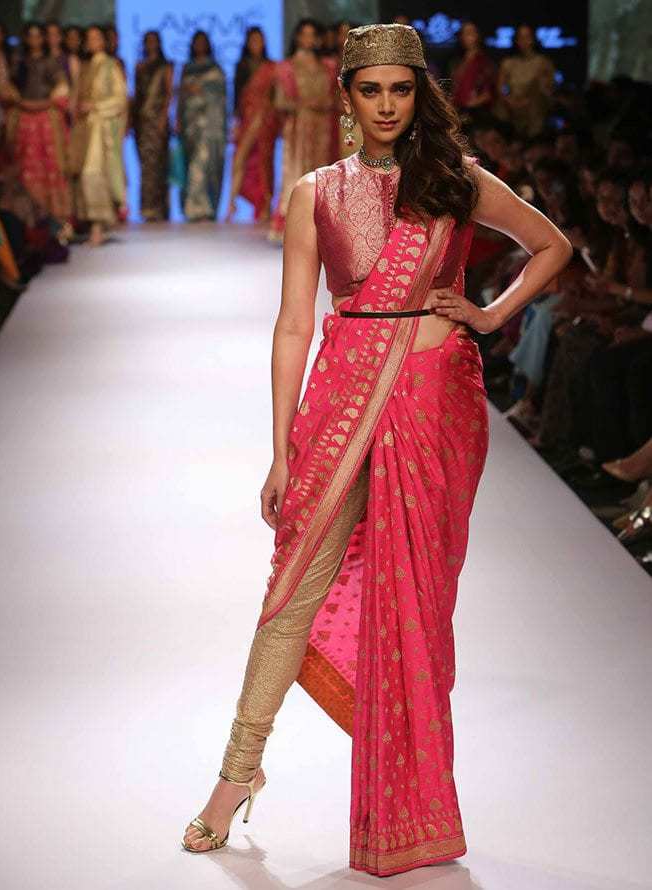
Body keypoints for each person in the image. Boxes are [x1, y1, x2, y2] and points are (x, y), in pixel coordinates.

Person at [180, 23, 572, 876]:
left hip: (434, 404)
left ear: (418, 93)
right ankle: (234, 777)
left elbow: (552, 245)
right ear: (348, 98)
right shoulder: (315, 191)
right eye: (371, 91)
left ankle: (418, 799)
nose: (388, 105)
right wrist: (282, 451)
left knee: (416, 601)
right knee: (291, 589)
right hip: (341, 393)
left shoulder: (456, 181)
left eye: (401, 89)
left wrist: (495, 314)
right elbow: (292, 323)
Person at [268, 18, 338, 240]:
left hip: (325, 128)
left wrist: (324, 104)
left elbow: (337, 99)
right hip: (299, 129)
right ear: (297, 37)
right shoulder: (287, 67)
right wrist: (303, 105)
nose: (308, 39)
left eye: (312, 34)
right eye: (304, 34)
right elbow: (279, 102)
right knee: (297, 175)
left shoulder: (328, 66)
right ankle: (291, 228)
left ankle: (322, 231)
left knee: (324, 175)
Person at [5, 22, 71, 227]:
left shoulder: (50, 62)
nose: (34, 40)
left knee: (49, 166)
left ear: (43, 39)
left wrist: (43, 104)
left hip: (45, 120)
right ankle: (26, 220)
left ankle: (54, 220)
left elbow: (61, 88)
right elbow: (9, 88)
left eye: (38, 36)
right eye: (30, 36)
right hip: (24, 120)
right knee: (23, 165)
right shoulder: (19, 62)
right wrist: (22, 103)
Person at [68, 24, 127, 246]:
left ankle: (98, 226)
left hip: (101, 130)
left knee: (93, 174)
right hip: (84, 129)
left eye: (96, 37)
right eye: (89, 37)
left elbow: (120, 100)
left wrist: (95, 106)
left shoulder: (111, 66)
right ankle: (92, 226)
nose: (92, 41)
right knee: (83, 174)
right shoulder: (84, 67)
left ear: (103, 41)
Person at [226, 27, 279, 222]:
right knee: (239, 159)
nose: (256, 43)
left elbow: (276, 97)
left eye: (259, 39)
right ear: (247, 43)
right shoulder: (242, 66)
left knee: (264, 163)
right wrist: (235, 121)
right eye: (252, 40)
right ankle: (231, 204)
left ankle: (265, 206)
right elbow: (237, 96)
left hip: (266, 120)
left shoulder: (272, 67)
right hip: (247, 119)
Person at [176, 30, 226, 222]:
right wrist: (178, 120)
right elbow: (181, 98)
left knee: (206, 165)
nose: (199, 46)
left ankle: (203, 208)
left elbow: (221, 99)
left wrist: (201, 90)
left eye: (202, 42)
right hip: (190, 126)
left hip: (210, 126)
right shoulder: (187, 68)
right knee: (191, 165)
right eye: (196, 42)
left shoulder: (216, 69)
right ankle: (192, 208)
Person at [132, 30, 173, 222]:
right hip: (141, 121)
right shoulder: (139, 66)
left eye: (154, 41)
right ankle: (147, 208)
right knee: (145, 166)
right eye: (147, 41)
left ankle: (160, 209)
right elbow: (137, 96)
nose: (151, 44)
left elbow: (168, 94)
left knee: (159, 164)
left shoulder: (166, 66)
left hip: (157, 121)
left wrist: (164, 119)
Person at [495, 23, 556, 139]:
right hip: (511, 109)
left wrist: (530, 100)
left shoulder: (542, 63)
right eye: (520, 37)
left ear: (533, 39)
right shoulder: (508, 63)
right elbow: (501, 88)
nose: (524, 41)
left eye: (527, 37)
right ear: (516, 40)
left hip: (534, 110)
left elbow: (547, 90)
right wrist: (510, 101)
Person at [448, 20, 497, 126]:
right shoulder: (456, 62)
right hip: (456, 113)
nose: (467, 37)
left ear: (478, 35)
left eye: (470, 33)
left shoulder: (484, 62)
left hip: (477, 114)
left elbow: (489, 93)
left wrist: (471, 104)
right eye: (464, 33)